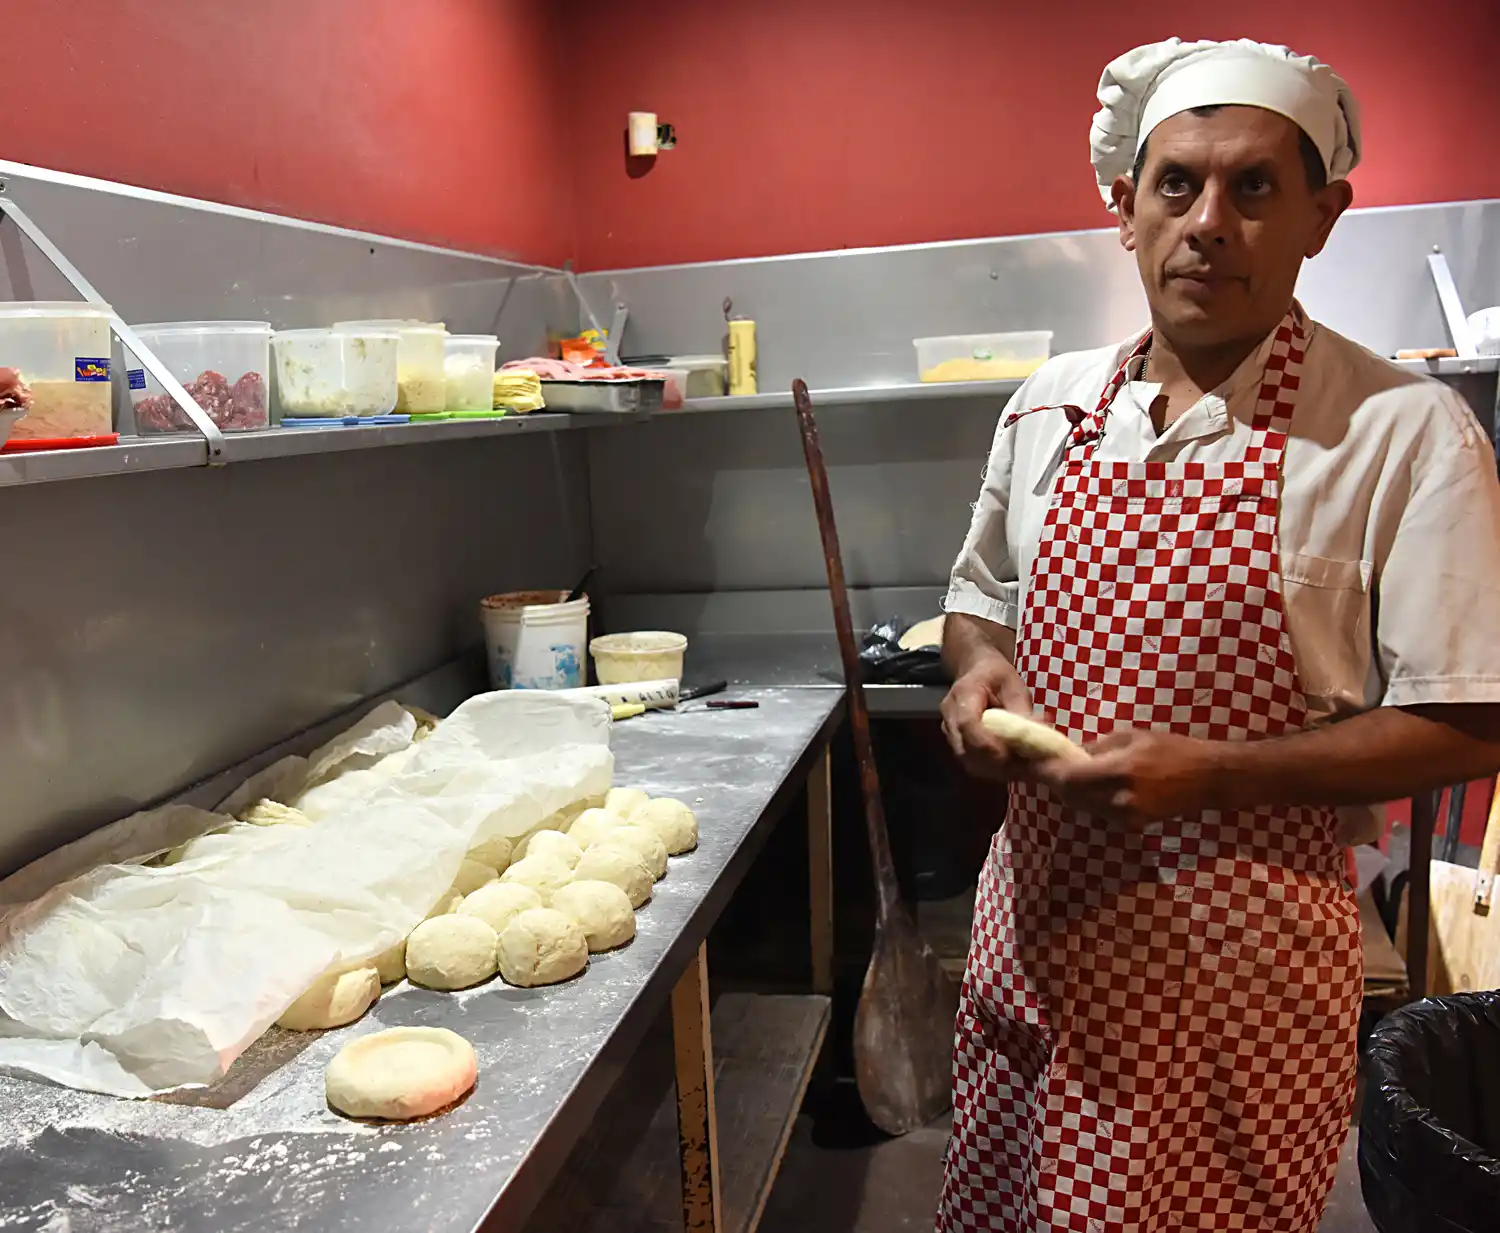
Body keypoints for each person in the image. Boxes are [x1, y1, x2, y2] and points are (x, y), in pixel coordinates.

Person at [936, 37, 1500, 1233]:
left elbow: (1471, 720)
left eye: (1254, 187)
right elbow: (980, 598)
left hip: (1237, 979)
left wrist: (1218, 776)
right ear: (1123, 212)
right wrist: (981, 671)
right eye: (1176, 184)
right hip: (1032, 935)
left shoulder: (1405, 431)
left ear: (1321, 218)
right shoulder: (1046, 410)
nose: (1208, 221)